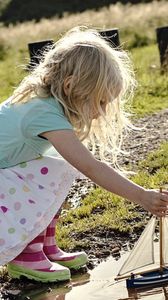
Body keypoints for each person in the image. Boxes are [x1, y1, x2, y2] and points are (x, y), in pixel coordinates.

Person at [0, 26, 168, 283]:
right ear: (70, 86)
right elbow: (90, 167)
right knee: (53, 172)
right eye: (99, 102)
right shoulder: (42, 113)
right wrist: (141, 196)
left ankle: (44, 247)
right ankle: (26, 255)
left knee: (56, 170)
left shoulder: (44, 101)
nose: (101, 112)